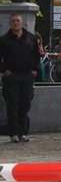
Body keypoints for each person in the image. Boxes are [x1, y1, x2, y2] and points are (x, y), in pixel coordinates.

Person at [0, 13, 40, 143]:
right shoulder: (4, 40)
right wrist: (4, 70)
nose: (15, 23)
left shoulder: (30, 38)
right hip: (11, 77)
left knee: (25, 105)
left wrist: (35, 69)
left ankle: (22, 133)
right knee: (12, 105)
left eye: (17, 21)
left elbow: (37, 55)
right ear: (9, 23)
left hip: (27, 76)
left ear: (22, 22)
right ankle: (14, 134)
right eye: (13, 21)